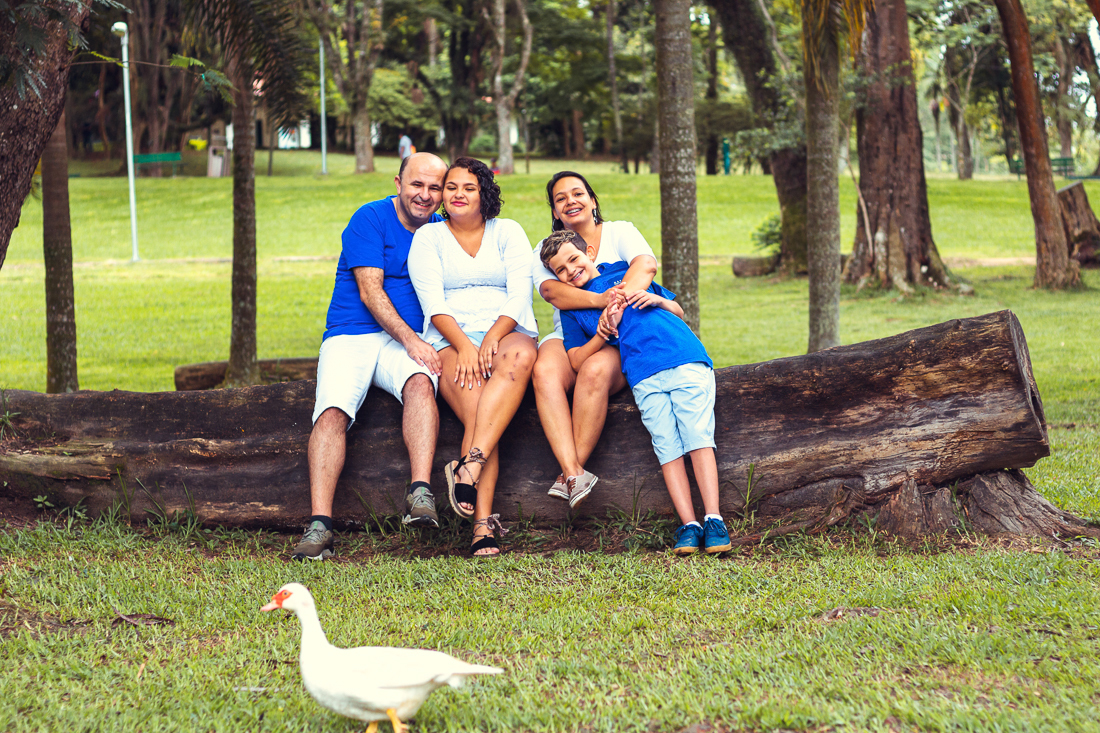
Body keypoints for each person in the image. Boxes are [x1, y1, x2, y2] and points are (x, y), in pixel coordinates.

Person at [291, 152, 449, 561]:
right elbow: (370, 291)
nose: (425, 195)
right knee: (332, 410)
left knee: (421, 383)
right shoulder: (370, 218)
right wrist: (413, 341)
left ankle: (420, 494)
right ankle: (320, 526)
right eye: (417, 184)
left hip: (406, 343)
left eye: (434, 187)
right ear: (398, 183)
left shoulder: (440, 229)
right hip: (352, 334)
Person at [540, 230, 732, 556]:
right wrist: (602, 333)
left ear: (590, 252)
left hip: (682, 357)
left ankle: (714, 519)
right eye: (561, 269)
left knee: (697, 436)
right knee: (667, 447)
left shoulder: (623, 272)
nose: (571, 270)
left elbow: (677, 310)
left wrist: (659, 301)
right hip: (642, 374)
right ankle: (689, 524)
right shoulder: (572, 309)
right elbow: (575, 360)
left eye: (574, 259)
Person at [408, 157, 539, 557]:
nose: (458, 194)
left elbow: (519, 294)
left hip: (507, 332)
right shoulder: (429, 238)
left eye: (469, 187)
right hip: (451, 339)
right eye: (451, 187)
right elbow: (432, 302)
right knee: (482, 410)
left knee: (520, 359)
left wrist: (492, 337)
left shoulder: (507, 231)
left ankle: (469, 467)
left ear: (484, 193)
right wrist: (465, 346)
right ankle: (482, 525)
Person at [529, 171, 658, 509]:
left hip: (618, 331)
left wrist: (616, 307)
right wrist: (602, 301)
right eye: (560, 198)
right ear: (554, 211)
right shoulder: (545, 249)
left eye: (578, 193)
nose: (570, 201)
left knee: (595, 370)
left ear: (592, 199)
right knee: (544, 370)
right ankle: (574, 473)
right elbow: (553, 292)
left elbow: (646, 265)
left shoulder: (620, 231)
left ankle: (570, 474)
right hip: (571, 330)